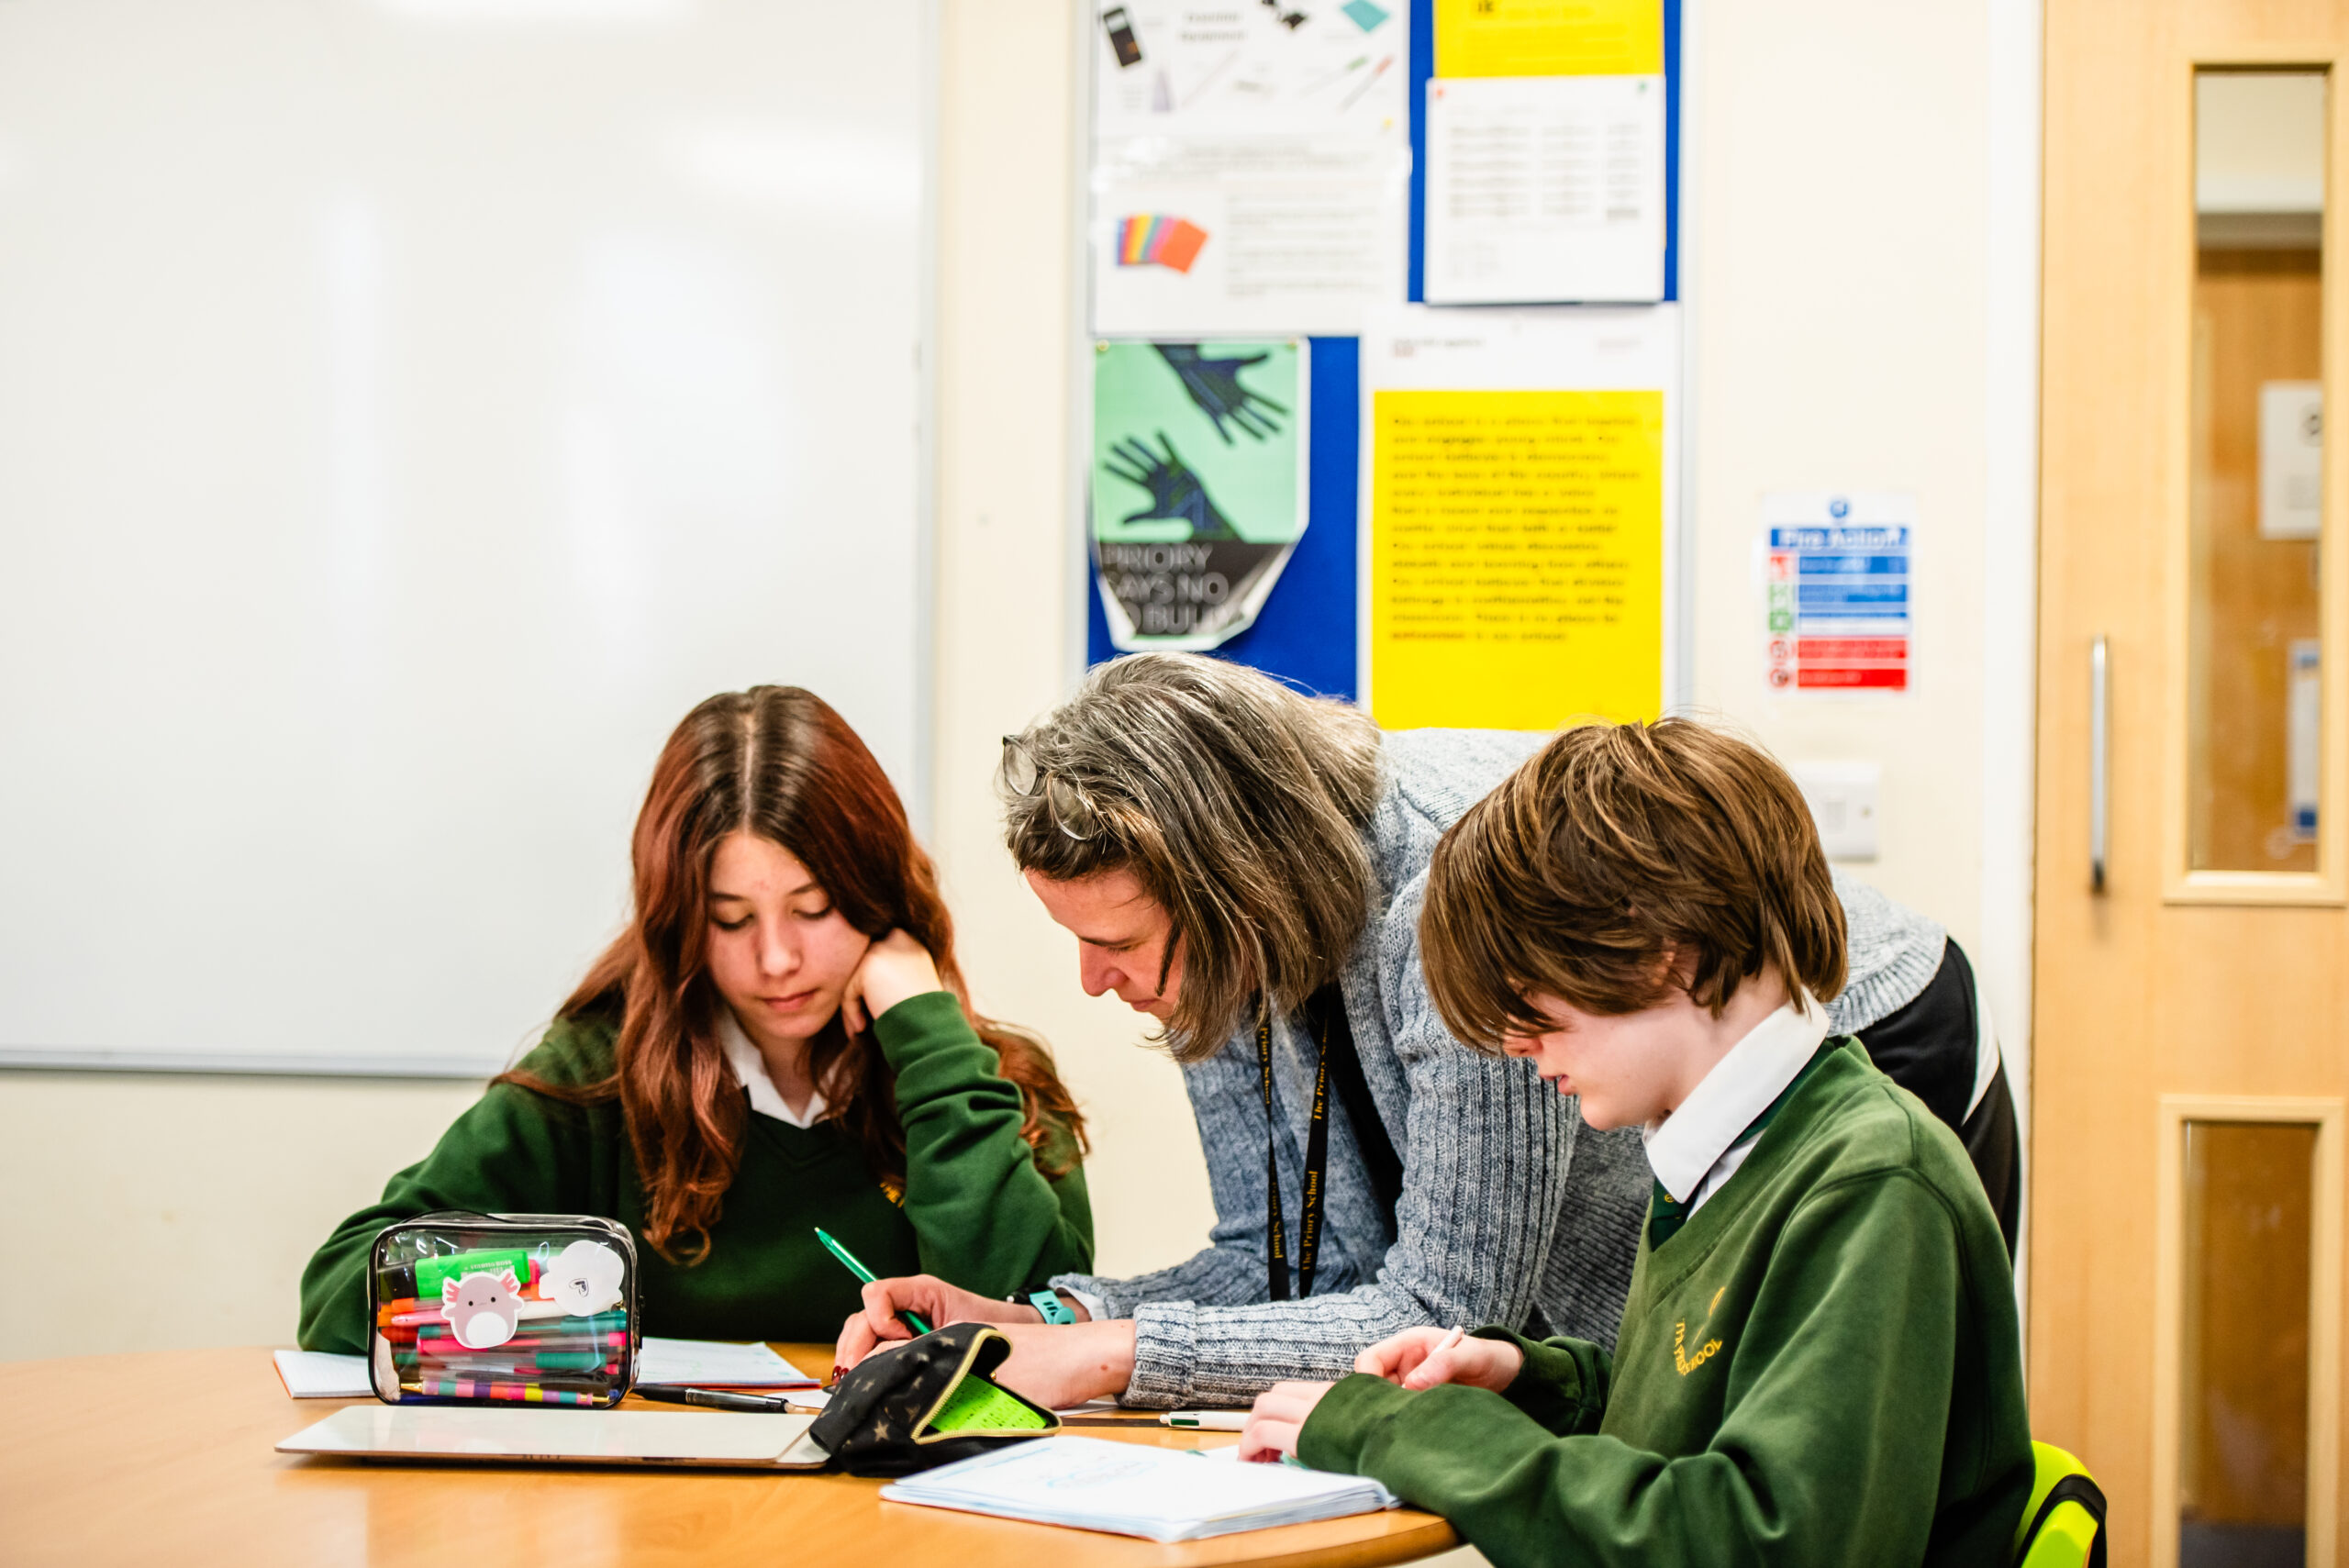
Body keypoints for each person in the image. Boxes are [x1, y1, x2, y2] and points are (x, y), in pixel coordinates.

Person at [837, 653, 1995, 1409]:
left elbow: (1450, 1306)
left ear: (1240, 887)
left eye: (1123, 943)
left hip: (1864, 1032)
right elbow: (1283, 1259)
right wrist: (1047, 1318)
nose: (1095, 983)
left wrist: (1114, 1358)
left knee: (1773, 1413)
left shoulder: (1450, 905)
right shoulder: (1223, 945)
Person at [1240, 717, 2032, 1568]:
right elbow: (1699, 1413)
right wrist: (1535, 1381)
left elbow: (1764, 1542)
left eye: (1529, 997)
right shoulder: (1730, 1148)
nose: (1511, 1042)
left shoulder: (1870, 1182)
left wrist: (1410, 1429)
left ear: (1666, 952)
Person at [297, 686, 1092, 1352]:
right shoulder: (599, 1073)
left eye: (813, 908)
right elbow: (343, 1291)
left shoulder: (977, 1076)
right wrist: (552, 1297)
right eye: (731, 919)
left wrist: (927, 1029)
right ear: (679, 920)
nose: (777, 958)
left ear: (878, 894)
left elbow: (1043, 1326)